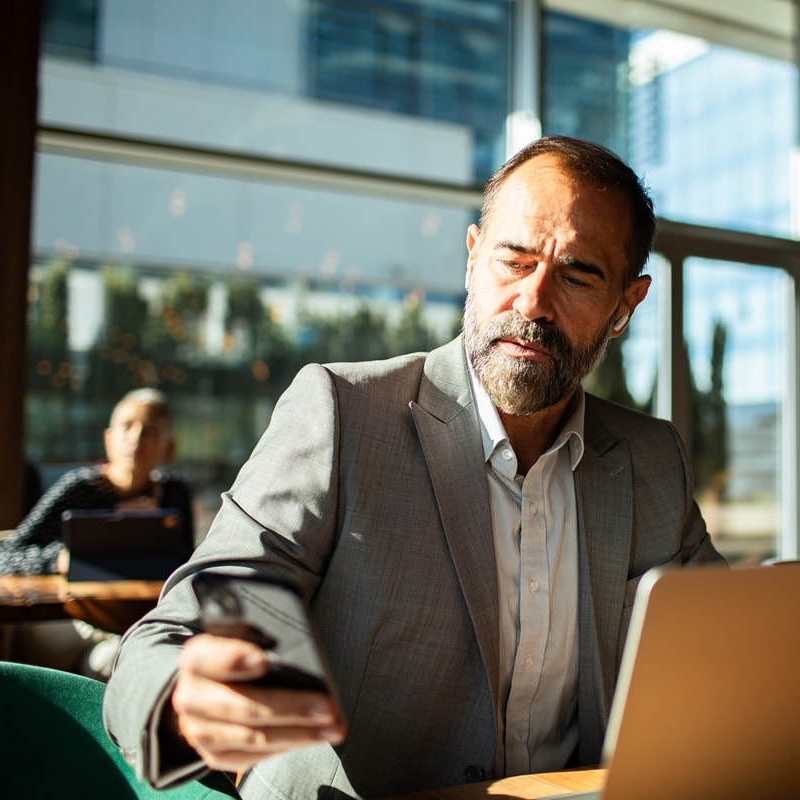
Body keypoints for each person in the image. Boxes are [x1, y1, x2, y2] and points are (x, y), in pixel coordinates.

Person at [102, 136, 726, 799]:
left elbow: (730, 646)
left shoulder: (651, 461)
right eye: (512, 261)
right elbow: (170, 635)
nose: (533, 302)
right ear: (471, 261)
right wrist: (183, 695)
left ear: (626, 306)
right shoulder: (343, 415)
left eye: (577, 276)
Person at [0, 387, 194, 576]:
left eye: (150, 430)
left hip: (151, 605)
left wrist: (153, 530)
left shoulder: (173, 493)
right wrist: (63, 559)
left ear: (170, 449)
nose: (136, 437)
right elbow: (4, 559)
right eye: (126, 426)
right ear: (108, 439)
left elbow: (189, 563)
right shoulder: (80, 489)